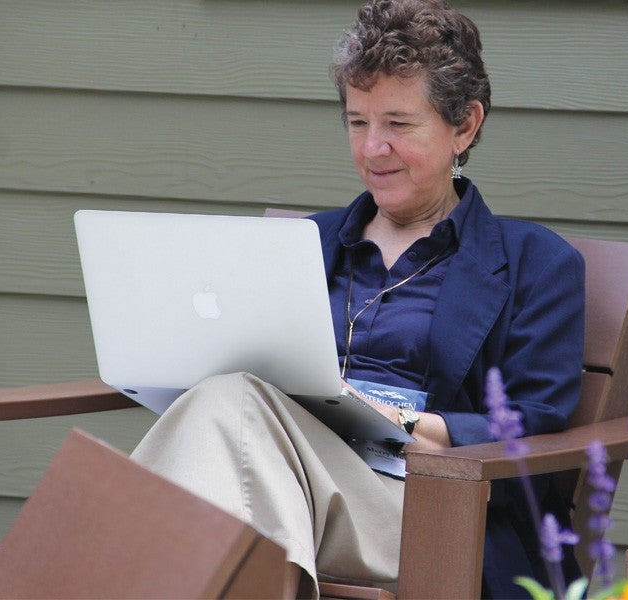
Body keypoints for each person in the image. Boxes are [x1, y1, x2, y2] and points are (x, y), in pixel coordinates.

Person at [131, 0, 585, 597]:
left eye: (398, 124)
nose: (372, 149)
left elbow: (536, 423)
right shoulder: (302, 244)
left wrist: (416, 424)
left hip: (422, 505)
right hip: (277, 480)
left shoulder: (536, 263)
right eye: (357, 122)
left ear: (465, 126)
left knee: (229, 405)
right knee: (224, 405)